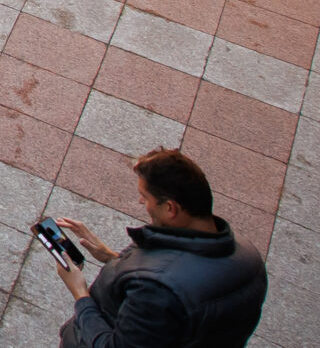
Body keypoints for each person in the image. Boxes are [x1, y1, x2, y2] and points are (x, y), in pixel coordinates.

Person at [48, 146, 267, 348]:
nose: (141, 203)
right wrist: (112, 258)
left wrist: (80, 293)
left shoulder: (157, 290)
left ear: (171, 208)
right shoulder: (249, 257)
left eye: (145, 197)